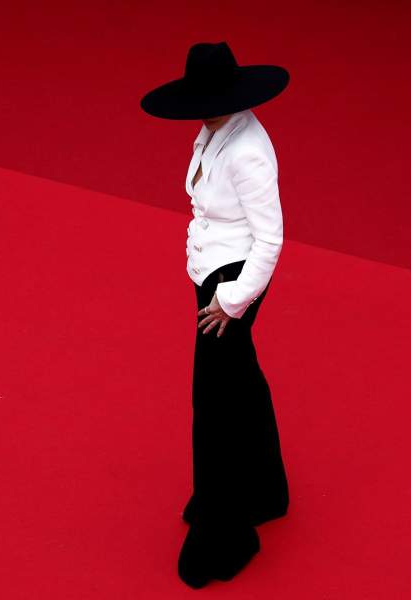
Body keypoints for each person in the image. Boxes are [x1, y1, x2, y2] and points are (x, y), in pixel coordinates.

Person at [140, 41, 291, 589]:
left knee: (215, 401)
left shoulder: (247, 148)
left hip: (230, 283)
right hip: (212, 270)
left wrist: (231, 300)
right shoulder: (215, 128)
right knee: (241, 383)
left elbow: (271, 238)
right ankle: (265, 492)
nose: (199, 109)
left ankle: (223, 534)